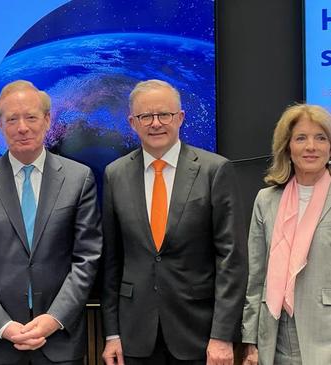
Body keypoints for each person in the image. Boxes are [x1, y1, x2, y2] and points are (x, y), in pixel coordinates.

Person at [0, 80, 102, 365]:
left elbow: (87, 257)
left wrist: (54, 318)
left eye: (31, 117)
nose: (22, 127)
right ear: (0, 125)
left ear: (47, 120)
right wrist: (2, 325)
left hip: (59, 340)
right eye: (12, 119)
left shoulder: (79, 179)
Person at [101, 79, 248, 365]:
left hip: (199, 335)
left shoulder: (214, 170)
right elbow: (111, 261)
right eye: (146, 116)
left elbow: (232, 260)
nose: (155, 123)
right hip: (135, 335)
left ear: (180, 118)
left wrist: (222, 335)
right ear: (132, 122)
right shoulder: (114, 174)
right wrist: (111, 333)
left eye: (164, 114)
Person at [241, 104, 331, 365]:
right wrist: (250, 341)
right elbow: (256, 277)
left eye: (321, 138)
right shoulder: (266, 200)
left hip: (324, 334)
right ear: (287, 147)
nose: (311, 146)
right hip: (275, 338)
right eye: (301, 138)